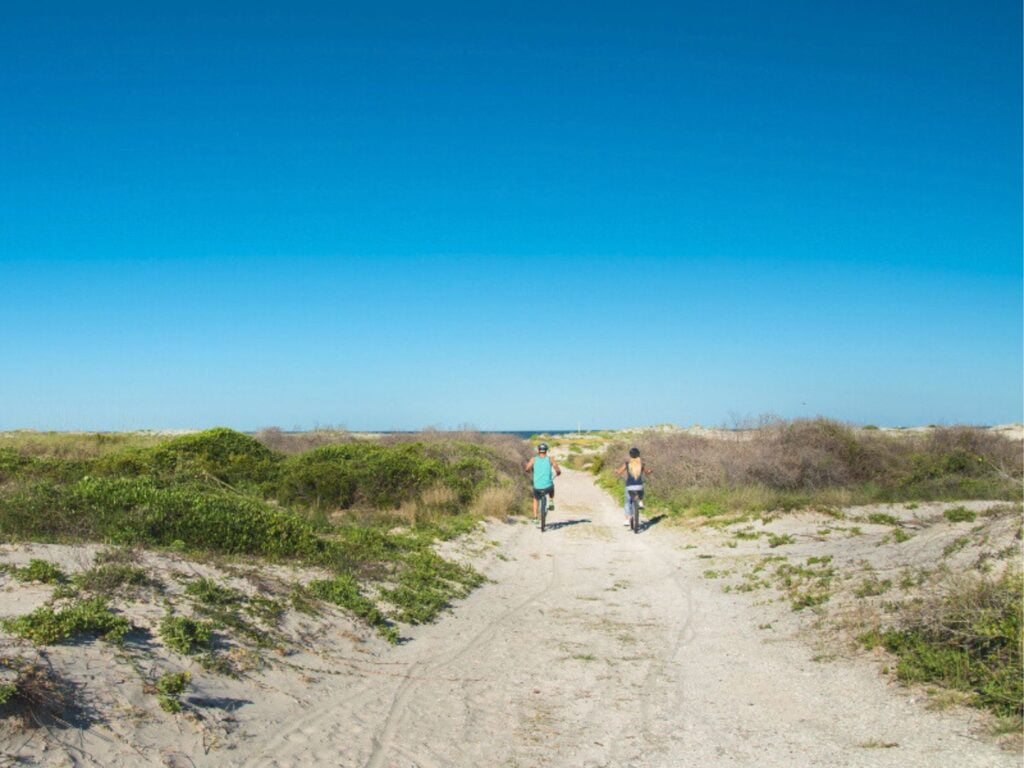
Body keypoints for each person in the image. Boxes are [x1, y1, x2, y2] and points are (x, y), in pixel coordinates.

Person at [615, 447, 651, 526]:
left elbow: (619, 472)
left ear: (630, 455)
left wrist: (616, 471)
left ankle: (627, 519)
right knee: (641, 490)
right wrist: (650, 471)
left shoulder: (627, 464)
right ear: (639, 455)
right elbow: (648, 472)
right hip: (639, 486)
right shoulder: (642, 464)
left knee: (627, 502)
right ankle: (640, 501)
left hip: (629, 486)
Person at [524, 442, 561, 521]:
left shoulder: (533, 459)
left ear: (538, 450)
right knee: (552, 486)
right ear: (546, 451)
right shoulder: (550, 459)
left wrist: (529, 470)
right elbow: (557, 469)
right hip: (548, 487)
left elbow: (527, 469)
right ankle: (551, 501)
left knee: (535, 499)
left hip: (537, 487)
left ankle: (535, 518)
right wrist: (558, 472)